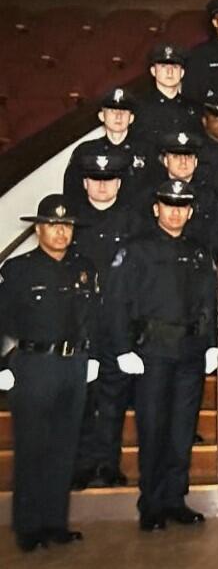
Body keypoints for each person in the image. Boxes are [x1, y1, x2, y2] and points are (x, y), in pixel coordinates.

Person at [103, 179, 218, 531]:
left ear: (189, 210)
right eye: (169, 205)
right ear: (156, 208)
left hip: (189, 353)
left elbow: (208, 303)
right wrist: (123, 349)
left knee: (182, 430)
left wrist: (211, 343)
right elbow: (116, 301)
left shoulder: (199, 251)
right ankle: (151, 503)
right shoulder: (135, 250)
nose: (175, 212)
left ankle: (175, 499)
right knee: (152, 428)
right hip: (151, 353)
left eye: (182, 206)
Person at [0, 194, 97, 552]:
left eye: (66, 226)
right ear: (39, 229)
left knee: (64, 446)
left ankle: (55, 522)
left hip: (73, 365)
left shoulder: (82, 268)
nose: (61, 232)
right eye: (53, 225)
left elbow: (91, 318)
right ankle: (29, 527)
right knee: (33, 447)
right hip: (34, 365)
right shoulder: (19, 270)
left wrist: (92, 356)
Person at [70, 153, 146, 492]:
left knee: (114, 400)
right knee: (82, 400)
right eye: (95, 179)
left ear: (118, 183)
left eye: (109, 180)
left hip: (119, 325)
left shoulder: (133, 223)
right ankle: (83, 465)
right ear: (85, 182)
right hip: (80, 326)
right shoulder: (70, 222)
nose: (102, 186)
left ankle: (108, 463)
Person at [62, 87, 155, 206]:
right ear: (101, 116)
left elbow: (155, 192)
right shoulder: (85, 152)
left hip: (135, 222)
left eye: (123, 112)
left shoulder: (147, 151)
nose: (118, 116)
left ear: (131, 118)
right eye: (112, 111)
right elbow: (72, 194)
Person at [143, 132, 218, 256]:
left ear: (195, 162)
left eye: (188, 157)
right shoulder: (151, 195)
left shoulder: (210, 197)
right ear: (166, 161)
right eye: (176, 157)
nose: (183, 162)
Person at [132, 43, 202, 149]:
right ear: (153, 71)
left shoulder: (194, 108)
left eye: (175, 67)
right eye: (163, 66)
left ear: (182, 73)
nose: (170, 72)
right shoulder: (139, 107)